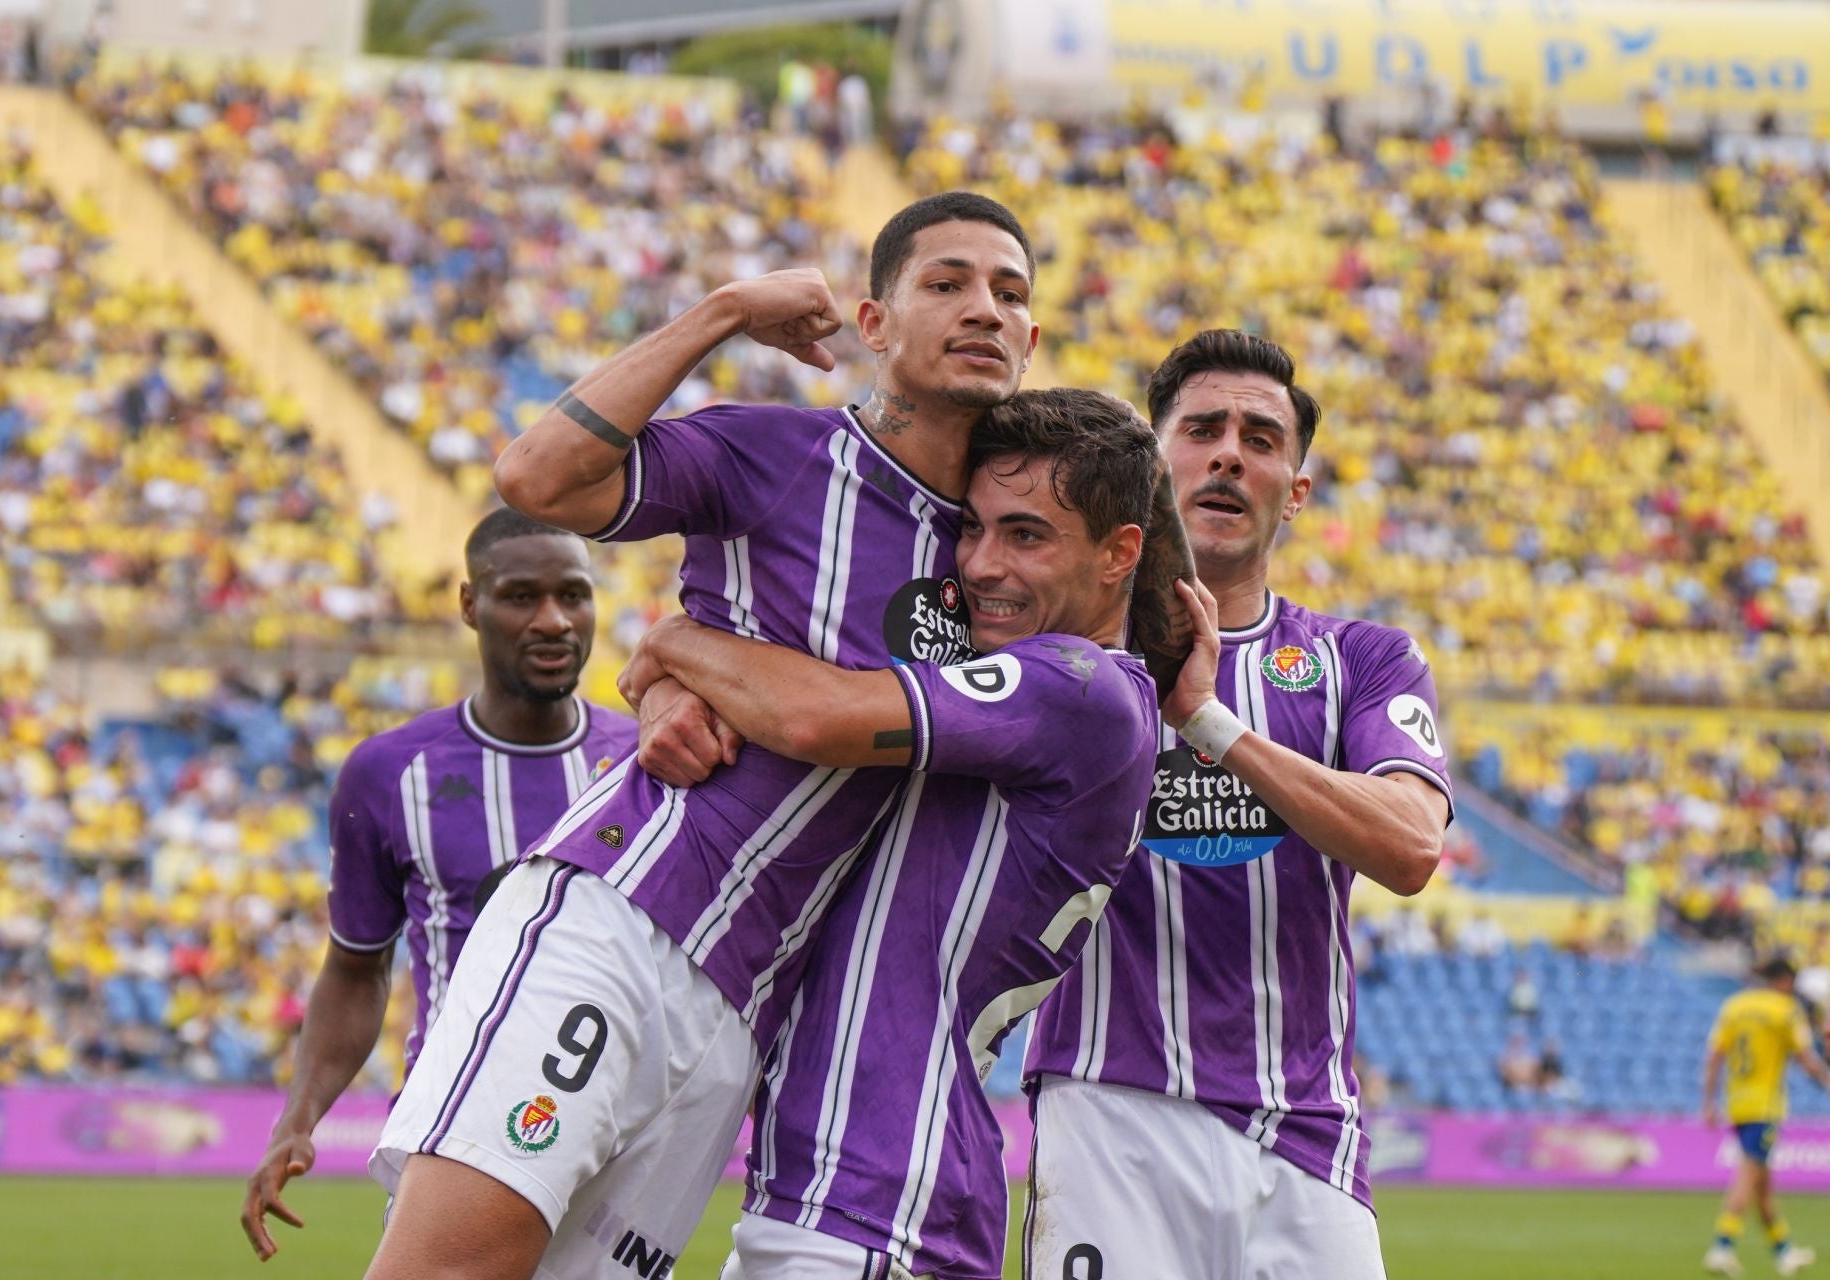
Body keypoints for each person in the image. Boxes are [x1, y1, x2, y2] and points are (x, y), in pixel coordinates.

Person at [364, 192, 1043, 1280]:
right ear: (874, 322)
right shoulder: (778, 454)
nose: (983, 309)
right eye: (948, 282)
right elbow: (536, 478)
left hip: (740, 1018)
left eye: (1009, 293)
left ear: (1035, 339)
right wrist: (720, 311)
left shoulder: (1015, 560)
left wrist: (670, 655)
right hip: (621, 920)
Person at [621, 389, 1176, 1279]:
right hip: (837, 1195)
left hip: (887, 1200)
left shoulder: (1080, 686)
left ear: (1120, 555)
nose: (983, 564)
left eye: (1026, 536)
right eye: (974, 528)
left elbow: (814, 717)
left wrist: (678, 640)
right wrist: (663, 692)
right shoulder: (1012, 688)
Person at [1024, 330, 1453, 1280]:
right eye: (1203, 429)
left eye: (1261, 438)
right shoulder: (1056, 652)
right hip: (1109, 1109)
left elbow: (1412, 847)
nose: (1229, 452)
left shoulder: (1366, 661)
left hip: (1305, 1134)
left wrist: (1209, 722)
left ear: (1295, 490)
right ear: (1151, 463)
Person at [237, 509, 636, 1261]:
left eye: (574, 596)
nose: (553, 620)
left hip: (614, 1143)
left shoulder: (647, 762)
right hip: (455, 1132)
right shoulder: (390, 773)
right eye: (521, 596)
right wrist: (298, 1117)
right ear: (468, 605)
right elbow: (356, 967)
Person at [1701, 955, 1830, 1278]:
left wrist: (1708, 1102)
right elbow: (1807, 1059)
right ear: (1785, 980)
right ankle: (1722, 1245)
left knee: (1762, 1183)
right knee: (1749, 1172)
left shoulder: (1734, 1006)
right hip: (1766, 1105)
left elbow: (1714, 1055)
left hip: (1737, 1103)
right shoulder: (1785, 1010)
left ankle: (1784, 1252)